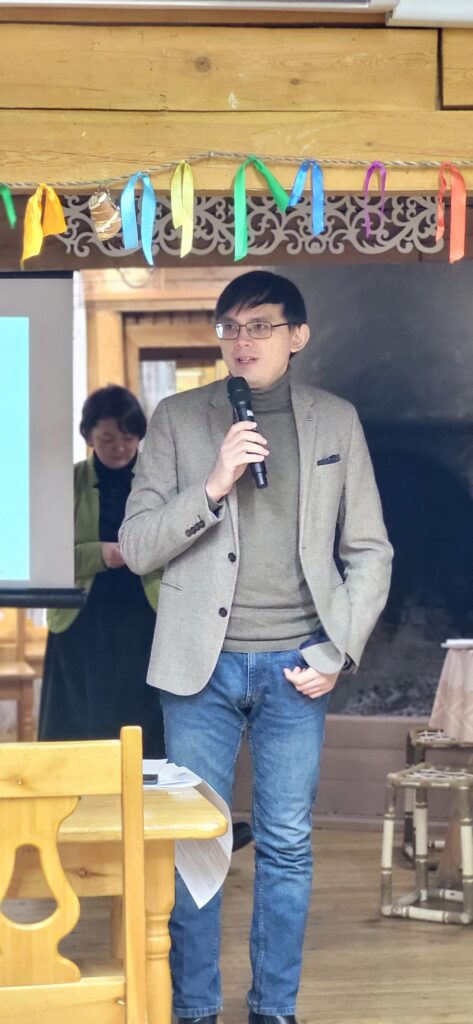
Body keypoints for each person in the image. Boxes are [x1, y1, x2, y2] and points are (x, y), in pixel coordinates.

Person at [119, 271, 393, 1024]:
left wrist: (337, 650)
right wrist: (212, 485)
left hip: (297, 666)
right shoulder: (178, 419)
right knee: (194, 843)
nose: (243, 340)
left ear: (297, 335)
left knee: (286, 845)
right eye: (231, 327)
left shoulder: (336, 422)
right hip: (198, 668)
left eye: (261, 325)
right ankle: (195, 1009)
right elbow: (137, 547)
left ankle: (274, 1009)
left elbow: (369, 551)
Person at [39, 384, 164, 758]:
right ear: (88, 435)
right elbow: (44, 558)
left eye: (128, 438)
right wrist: (100, 554)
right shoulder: (68, 482)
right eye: (108, 439)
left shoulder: (159, 482)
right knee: (79, 729)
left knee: (143, 727)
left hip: (145, 619)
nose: (119, 448)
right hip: (81, 622)